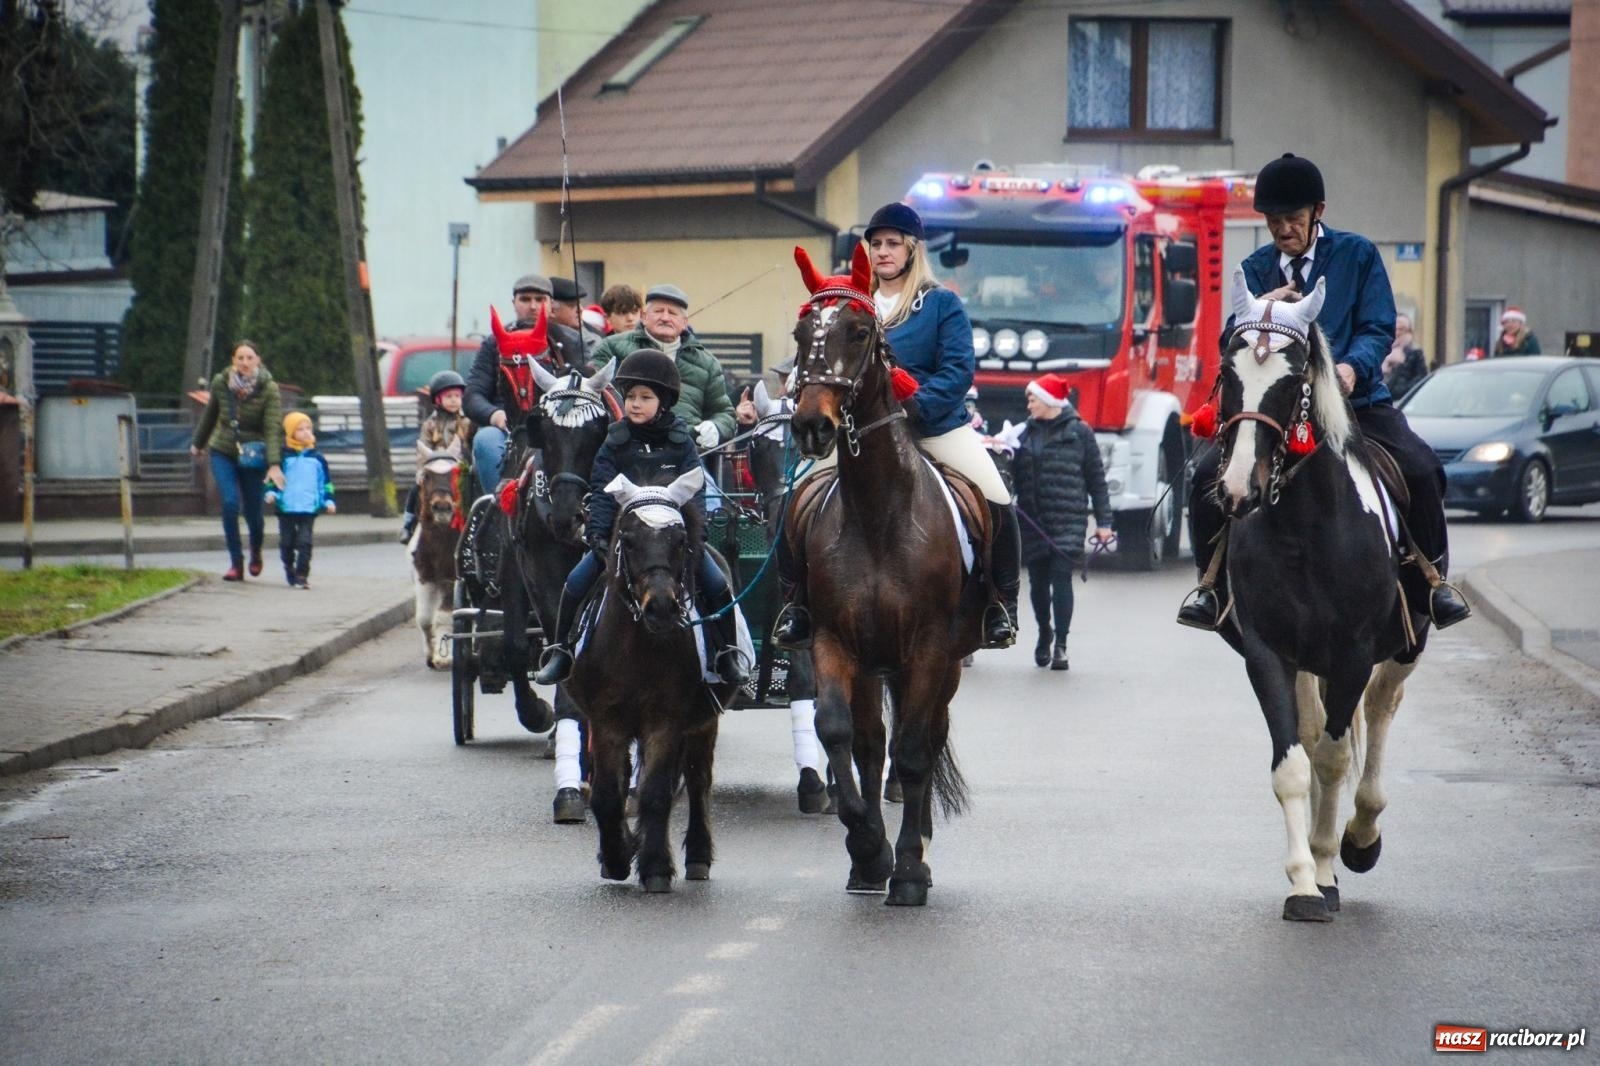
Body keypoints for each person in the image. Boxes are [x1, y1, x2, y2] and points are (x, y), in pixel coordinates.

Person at [1176, 153, 1469, 631]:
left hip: (1356, 404)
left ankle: (1431, 584)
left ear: (1318, 211)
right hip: (1279, 410)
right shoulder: (1255, 268)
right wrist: (1262, 307)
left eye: (1293, 219)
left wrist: (1353, 368)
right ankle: (1210, 587)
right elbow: (1231, 339)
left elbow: (1377, 326)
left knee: (1420, 467)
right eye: (1274, 221)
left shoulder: (1357, 255)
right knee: (1206, 474)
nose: (1284, 230)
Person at [773, 202, 1022, 649]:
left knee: (996, 494)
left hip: (932, 423)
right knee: (794, 498)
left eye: (892, 244)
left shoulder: (940, 302)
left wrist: (921, 405)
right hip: (856, 430)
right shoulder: (847, 301)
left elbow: (958, 368)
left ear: (911, 249)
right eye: (876, 243)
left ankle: (1001, 605)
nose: (883, 252)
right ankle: (796, 605)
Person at [530, 350, 750, 689]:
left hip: (674, 540)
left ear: (663, 402)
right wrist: (599, 536)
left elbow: (695, 494)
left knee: (717, 584)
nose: (634, 403)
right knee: (575, 582)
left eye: (645, 397)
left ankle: (726, 653)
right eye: (630, 396)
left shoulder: (681, 443)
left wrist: (696, 536)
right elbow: (603, 493)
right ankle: (561, 650)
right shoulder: (613, 442)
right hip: (625, 540)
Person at [1011, 375, 1113, 671]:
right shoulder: (1022, 434)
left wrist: (1104, 522)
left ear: (1049, 401)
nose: (1028, 405)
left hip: (1068, 520)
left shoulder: (1080, 432)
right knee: (1037, 584)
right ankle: (1045, 633)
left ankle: (1061, 645)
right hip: (1033, 521)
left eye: (1033, 399)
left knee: (1061, 580)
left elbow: (1097, 480)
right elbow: (1010, 474)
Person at [587, 283, 736, 449]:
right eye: (658, 311)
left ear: (684, 322)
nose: (665, 318)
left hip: (688, 450)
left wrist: (716, 428)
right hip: (626, 449)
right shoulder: (610, 348)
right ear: (644, 316)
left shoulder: (706, 362)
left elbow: (724, 412)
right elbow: (598, 397)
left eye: (672, 313)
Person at [190, 341, 284, 581]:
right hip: (223, 451)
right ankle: (235, 562)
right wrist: (198, 443)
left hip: (253, 455)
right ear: (233, 360)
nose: (244, 362)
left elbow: (272, 428)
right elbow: (211, 414)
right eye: (240, 357)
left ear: (257, 361)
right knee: (230, 504)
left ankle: (256, 551)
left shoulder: (269, 389)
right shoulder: (221, 383)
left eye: (249, 358)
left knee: (253, 512)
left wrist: (273, 464)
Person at [463, 276, 561, 498]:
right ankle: (498, 509)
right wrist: (495, 415)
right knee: (485, 441)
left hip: (557, 427)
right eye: (525, 299)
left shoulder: (567, 341)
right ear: (514, 303)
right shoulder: (494, 343)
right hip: (505, 429)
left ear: (551, 303)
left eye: (540, 299)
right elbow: (473, 395)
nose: (533, 306)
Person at [399, 370, 472, 543]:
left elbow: (469, 447)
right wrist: (420, 471)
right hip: (435, 469)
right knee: (415, 491)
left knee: (470, 491)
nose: (454, 400)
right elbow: (423, 450)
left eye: (457, 396)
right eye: (449, 396)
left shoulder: (467, 422)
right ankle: (408, 524)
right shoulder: (430, 424)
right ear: (438, 400)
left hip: (458, 469)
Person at [266, 412, 335, 588]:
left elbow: (326, 483)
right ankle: (289, 566)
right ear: (290, 433)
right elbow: (274, 479)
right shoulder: (283, 458)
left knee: (305, 542)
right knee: (287, 542)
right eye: (300, 429)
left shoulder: (317, 459)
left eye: (308, 428)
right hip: (286, 508)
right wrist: (272, 493)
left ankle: (302, 574)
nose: (305, 433)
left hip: (309, 507)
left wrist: (328, 500)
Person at [550, 276, 602, 360]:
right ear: (552, 310)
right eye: (572, 305)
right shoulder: (543, 341)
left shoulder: (595, 340)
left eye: (580, 304)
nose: (580, 310)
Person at [1382, 313, 1428, 399]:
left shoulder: (1415, 352)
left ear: (1409, 332)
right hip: (1383, 398)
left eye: (1401, 329)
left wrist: (1403, 391)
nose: (1397, 333)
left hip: (1403, 400)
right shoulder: (1383, 349)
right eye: (1395, 329)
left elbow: (1421, 378)